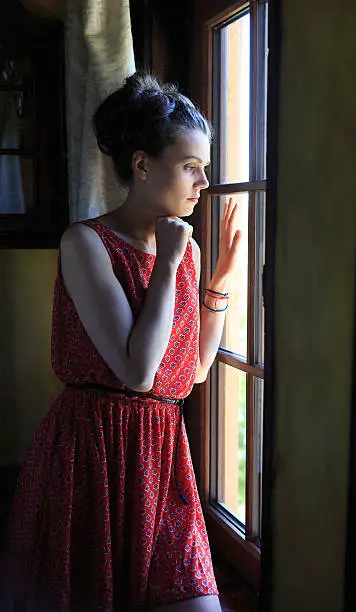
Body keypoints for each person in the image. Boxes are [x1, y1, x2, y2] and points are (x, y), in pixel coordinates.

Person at [3, 73, 242, 611]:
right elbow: (137, 371)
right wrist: (170, 263)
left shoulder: (188, 250)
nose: (203, 182)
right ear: (141, 165)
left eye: (204, 168)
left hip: (162, 453)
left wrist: (218, 284)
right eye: (190, 167)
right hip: (93, 449)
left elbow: (192, 373)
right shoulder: (85, 242)